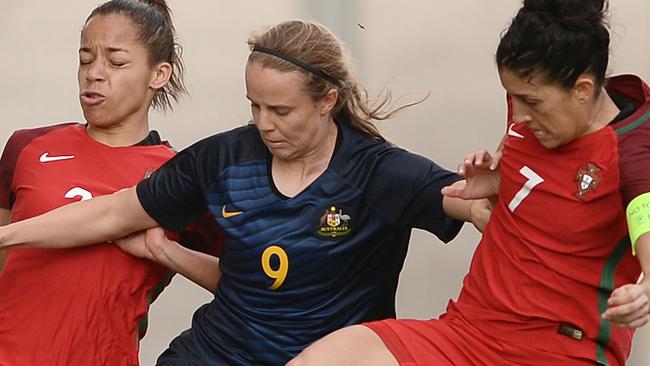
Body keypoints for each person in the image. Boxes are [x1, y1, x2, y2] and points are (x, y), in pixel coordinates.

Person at [0, 19, 490, 365]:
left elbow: (479, 208)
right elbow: (112, 213)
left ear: (328, 101)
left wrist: (494, 189)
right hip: (216, 353)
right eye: (254, 106)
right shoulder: (223, 160)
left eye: (280, 110)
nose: (263, 124)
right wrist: (7, 237)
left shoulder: (379, 173)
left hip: (325, 357)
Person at [288, 0, 650, 365]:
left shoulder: (634, 150)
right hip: (467, 333)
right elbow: (529, 164)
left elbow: (644, 211)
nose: (519, 115)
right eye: (511, 97)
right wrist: (498, 178)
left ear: (583, 90)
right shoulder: (534, 110)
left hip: (560, 351)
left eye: (530, 101)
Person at [0, 1, 221, 365]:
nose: (94, 73)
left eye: (116, 62)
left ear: (159, 74)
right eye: (86, 58)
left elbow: (250, 288)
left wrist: (166, 253)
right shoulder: (27, 147)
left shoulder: (180, 179)